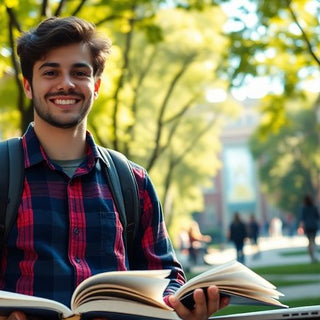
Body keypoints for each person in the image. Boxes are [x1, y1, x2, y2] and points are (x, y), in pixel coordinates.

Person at [0, 16, 229, 320]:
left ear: (95, 86)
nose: (66, 83)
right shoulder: (4, 172)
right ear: (28, 86)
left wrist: (185, 304)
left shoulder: (132, 181)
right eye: (50, 72)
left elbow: (166, 276)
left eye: (79, 73)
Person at [299, 195, 320, 263]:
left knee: (309, 241)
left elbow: (302, 218)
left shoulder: (304, 208)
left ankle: (311, 256)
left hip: (307, 226)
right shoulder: (314, 207)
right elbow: (317, 217)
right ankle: (314, 255)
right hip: (314, 225)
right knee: (313, 240)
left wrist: (301, 227)